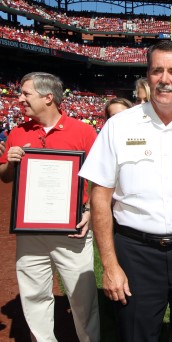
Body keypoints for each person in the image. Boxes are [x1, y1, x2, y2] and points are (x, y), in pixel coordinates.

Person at [79, 40, 172, 342]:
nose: (165, 79)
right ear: (148, 77)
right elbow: (100, 196)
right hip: (135, 252)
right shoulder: (118, 126)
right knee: (135, 334)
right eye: (157, 70)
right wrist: (109, 265)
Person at [0, 72, 100, 341]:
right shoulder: (18, 132)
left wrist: (89, 210)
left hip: (73, 230)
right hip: (30, 230)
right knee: (34, 295)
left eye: (25, 93)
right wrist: (9, 162)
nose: (19, 98)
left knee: (82, 297)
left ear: (48, 98)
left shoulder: (83, 131)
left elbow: (101, 178)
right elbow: (6, 176)